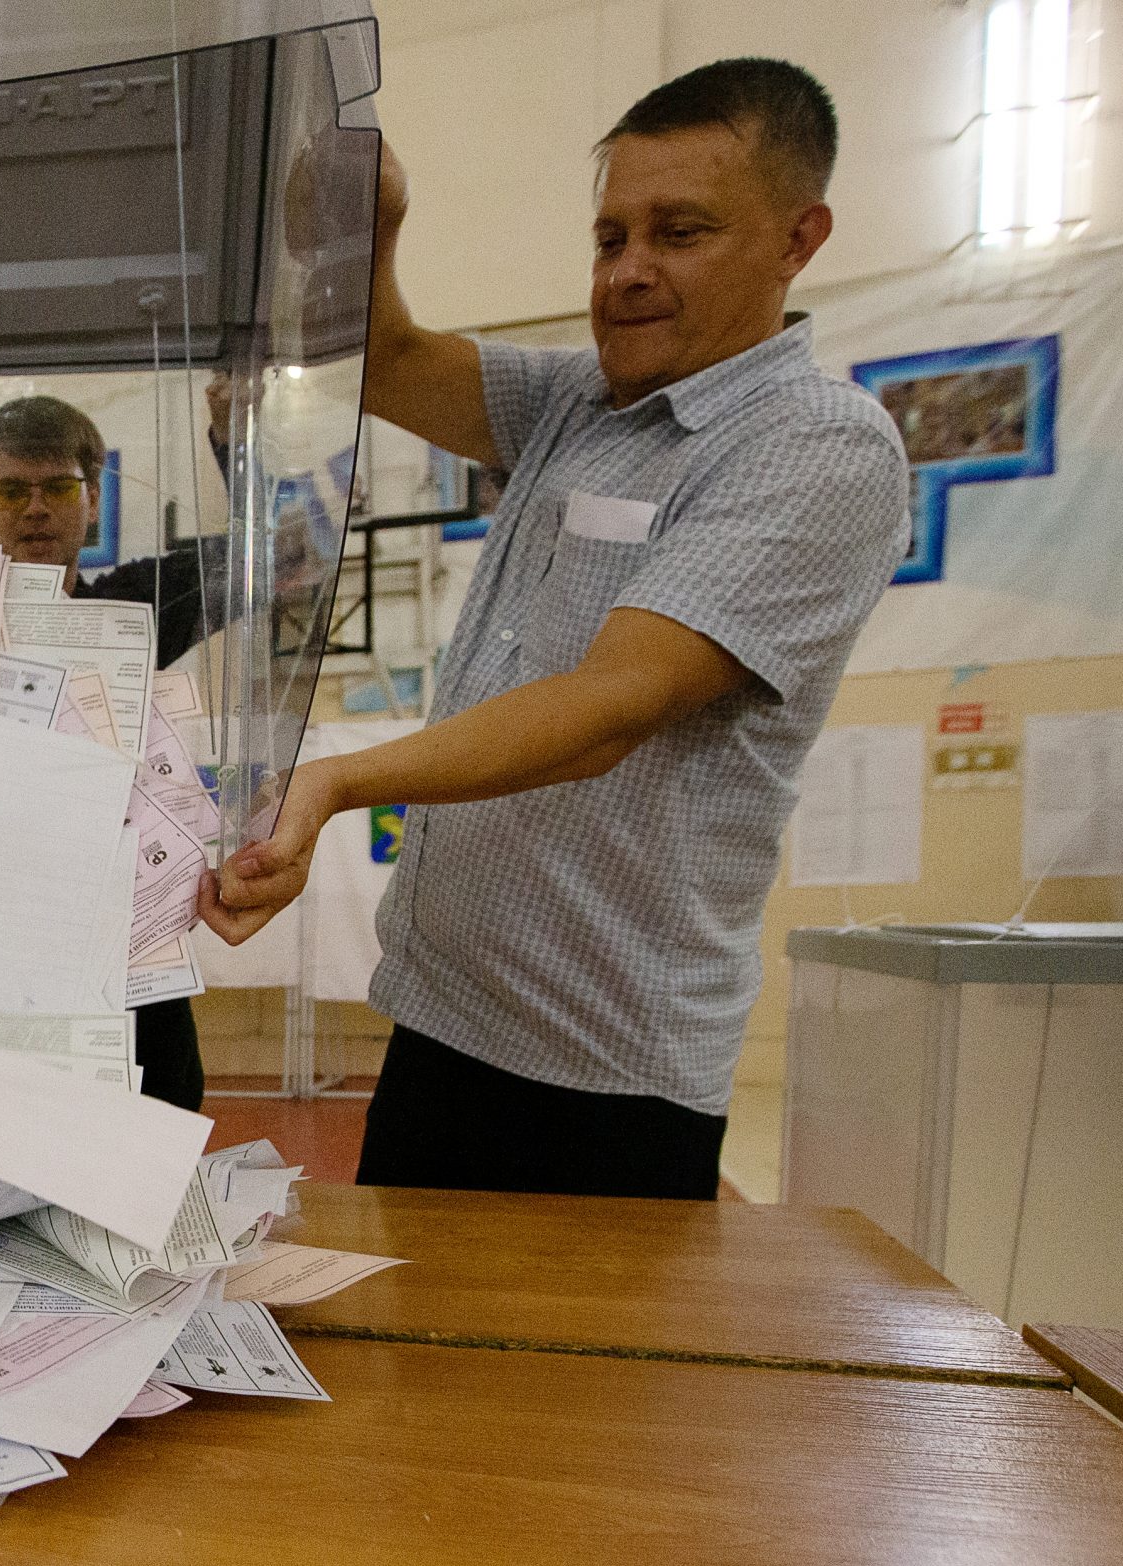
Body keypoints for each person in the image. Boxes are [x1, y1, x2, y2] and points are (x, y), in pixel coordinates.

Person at [200, 59, 910, 1201]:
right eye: (608, 237)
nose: (627, 273)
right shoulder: (580, 402)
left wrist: (335, 781)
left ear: (796, 239)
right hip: (441, 1021)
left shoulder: (814, 447)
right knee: (405, 1367)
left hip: (598, 1080)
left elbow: (609, 705)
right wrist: (360, 234)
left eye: (677, 233)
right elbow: (391, 359)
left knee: (564, 1382)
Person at [0, 394, 207, 1113]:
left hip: (126, 959)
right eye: (13, 490)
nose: (35, 508)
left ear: (93, 500)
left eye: (60, 488)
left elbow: (272, 556)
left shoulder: (133, 610)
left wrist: (232, 440)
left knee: (159, 1121)